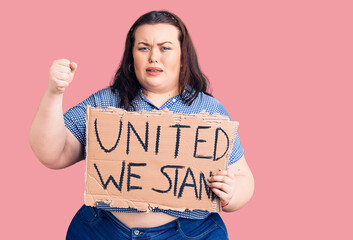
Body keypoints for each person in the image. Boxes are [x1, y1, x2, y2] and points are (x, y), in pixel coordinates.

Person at [29, 10, 254, 239]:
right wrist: (54, 94)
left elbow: (244, 178)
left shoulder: (210, 110)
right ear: (131, 56)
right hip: (104, 231)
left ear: (182, 56)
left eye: (165, 48)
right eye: (143, 47)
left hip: (190, 233)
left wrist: (232, 193)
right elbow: (53, 154)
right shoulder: (104, 103)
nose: (153, 57)